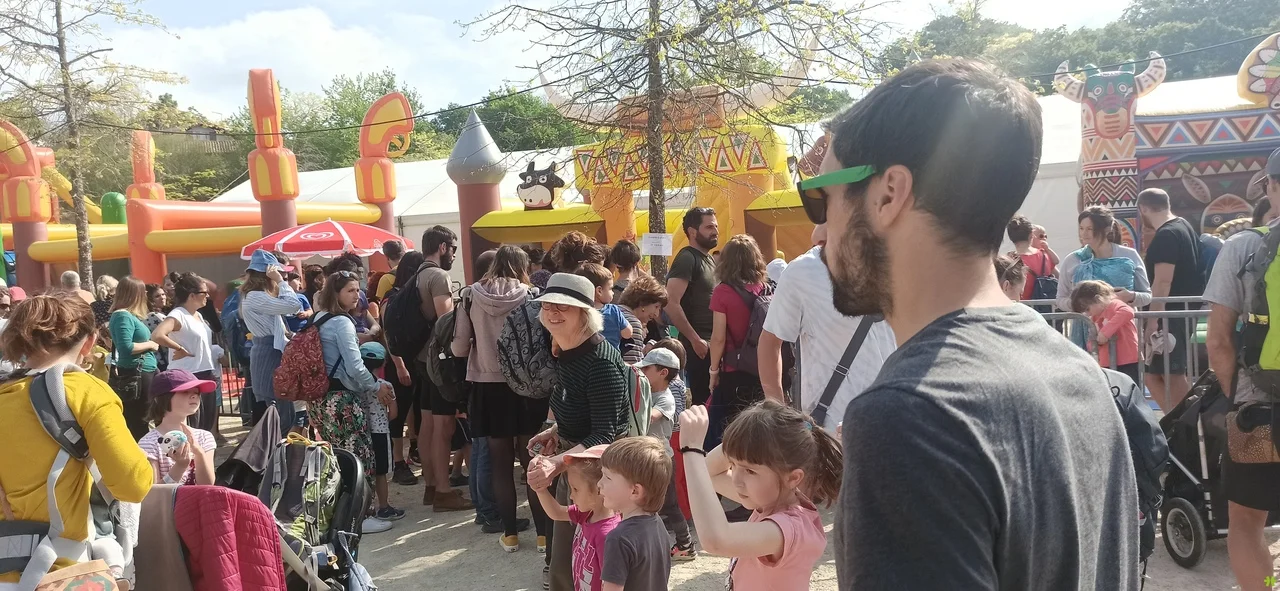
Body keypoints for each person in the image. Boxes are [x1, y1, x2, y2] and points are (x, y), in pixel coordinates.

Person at [816, 59, 1138, 588]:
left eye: (821, 199)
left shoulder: (910, 416)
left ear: (889, 193)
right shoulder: (1080, 373)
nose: (818, 231)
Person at [0, 292, 152, 583]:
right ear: (90, 341)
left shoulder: (4, 394)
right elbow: (132, 485)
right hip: (62, 573)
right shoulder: (85, 390)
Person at [1204, 146, 1280, 591]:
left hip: (1258, 411)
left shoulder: (1244, 246)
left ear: (1271, 187)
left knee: (1247, 521)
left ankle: (1264, 588)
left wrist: (1237, 397)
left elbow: (1217, 340)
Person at [526, 273, 632, 591]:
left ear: (585, 313)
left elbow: (604, 435)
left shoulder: (600, 362)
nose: (552, 312)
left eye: (563, 306)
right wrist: (556, 431)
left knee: (589, 564)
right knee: (567, 558)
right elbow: (582, 407)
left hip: (599, 477)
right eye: (548, 305)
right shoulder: (569, 351)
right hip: (577, 467)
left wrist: (556, 463)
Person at [680, 402, 838, 589]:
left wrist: (692, 450)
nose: (737, 480)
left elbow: (717, 540)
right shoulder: (770, 500)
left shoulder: (791, 528)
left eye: (750, 471)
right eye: (733, 465)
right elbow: (710, 473)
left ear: (793, 478)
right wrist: (743, 438)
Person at [759, 223, 895, 431]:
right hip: (832, 431)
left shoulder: (901, 261)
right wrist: (778, 416)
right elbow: (769, 343)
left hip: (895, 423)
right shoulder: (804, 272)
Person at [452, 245, 543, 544]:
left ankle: (510, 534)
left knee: (500, 465)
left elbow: (459, 348)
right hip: (526, 386)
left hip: (487, 386)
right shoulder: (531, 295)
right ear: (522, 266)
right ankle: (543, 536)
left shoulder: (470, 296)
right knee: (532, 461)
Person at [309, 271, 400, 533]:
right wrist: (377, 386)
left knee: (337, 459)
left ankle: (342, 513)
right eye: (350, 290)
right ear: (336, 293)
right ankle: (361, 516)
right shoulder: (342, 322)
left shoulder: (319, 318)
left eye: (357, 289)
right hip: (343, 400)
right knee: (359, 458)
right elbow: (355, 366)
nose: (357, 295)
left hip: (321, 399)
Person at [414, 226, 473, 510]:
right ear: (442, 247)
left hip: (420, 360)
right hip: (438, 364)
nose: (454, 254)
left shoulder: (416, 274)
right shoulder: (438, 276)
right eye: (453, 248)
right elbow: (446, 323)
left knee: (427, 425)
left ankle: (431, 486)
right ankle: (443, 491)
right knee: (443, 427)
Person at [1137, 187, 1204, 411]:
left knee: (1171, 373)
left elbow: (1162, 282)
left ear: (1143, 208)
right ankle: (1176, 423)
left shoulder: (1166, 234)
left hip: (1168, 316)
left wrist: (1153, 319)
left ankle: (1188, 424)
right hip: (1178, 312)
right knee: (1153, 374)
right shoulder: (1184, 226)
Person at [706, 234, 769, 447]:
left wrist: (713, 372)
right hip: (764, 368)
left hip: (735, 371)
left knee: (728, 433)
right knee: (759, 431)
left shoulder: (722, 292)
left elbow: (718, 338)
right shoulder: (766, 289)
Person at [529, 445, 619, 591]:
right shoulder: (587, 514)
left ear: (600, 490)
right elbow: (556, 512)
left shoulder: (608, 536)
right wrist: (540, 489)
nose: (571, 495)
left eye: (576, 489)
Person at [634, 348, 695, 561]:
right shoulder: (647, 391)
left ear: (663, 372)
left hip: (661, 459)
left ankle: (685, 545)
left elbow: (649, 417)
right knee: (644, 504)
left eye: (647, 369)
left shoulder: (666, 398)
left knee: (669, 504)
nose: (643, 372)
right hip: (645, 457)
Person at [240, 249, 302, 436]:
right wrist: (281, 282)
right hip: (268, 352)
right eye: (279, 272)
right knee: (280, 414)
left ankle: (279, 451)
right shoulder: (255, 296)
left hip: (269, 350)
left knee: (281, 411)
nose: (283, 276)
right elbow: (294, 305)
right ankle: (278, 452)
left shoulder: (256, 296)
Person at [149, 272, 222, 432]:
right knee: (192, 426)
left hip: (205, 372)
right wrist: (179, 348)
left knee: (206, 425)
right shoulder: (178, 314)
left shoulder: (198, 315)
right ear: (192, 295)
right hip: (187, 376)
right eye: (204, 292)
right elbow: (157, 335)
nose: (207, 296)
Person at [597, 436, 672, 591]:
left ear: (635, 491)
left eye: (607, 477)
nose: (599, 483)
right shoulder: (657, 524)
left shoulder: (618, 539)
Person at [665, 207, 718, 406]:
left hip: (713, 345)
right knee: (703, 407)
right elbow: (670, 302)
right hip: (699, 348)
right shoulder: (687, 258)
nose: (715, 231)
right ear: (693, 232)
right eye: (709, 227)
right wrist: (695, 340)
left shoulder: (709, 259)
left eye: (716, 226)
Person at [1055, 205, 1152, 313]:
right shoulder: (1073, 259)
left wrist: (1130, 296)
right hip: (1084, 321)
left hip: (1121, 320)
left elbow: (1147, 296)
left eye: (1090, 229)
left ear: (1107, 230)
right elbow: (1060, 298)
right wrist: (1081, 304)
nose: (1084, 233)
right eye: (1081, 228)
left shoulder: (1129, 255)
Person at [386, 250, 425, 486]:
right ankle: (398, 461)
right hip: (399, 362)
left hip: (415, 362)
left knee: (415, 409)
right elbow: (388, 333)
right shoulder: (392, 297)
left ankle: (416, 452)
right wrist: (400, 365)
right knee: (398, 413)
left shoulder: (414, 295)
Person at [138, 369, 217, 485]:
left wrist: (199, 452)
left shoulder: (204, 437)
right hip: (169, 498)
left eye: (197, 392)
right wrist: (180, 467)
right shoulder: (149, 443)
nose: (194, 396)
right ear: (160, 398)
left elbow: (208, 484)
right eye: (185, 391)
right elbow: (154, 492)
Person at [359, 341, 408, 524]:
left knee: (366, 470)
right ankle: (384, 506)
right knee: (381, 473)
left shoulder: (356, 386)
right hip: (380, 432)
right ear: (383, 363)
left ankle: (366, 507)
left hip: (362, 432)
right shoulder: (385, 386)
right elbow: (394, 413)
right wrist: (383, 420)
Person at [109, 276, 162, 440]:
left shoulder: (129, 316)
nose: (145, 295)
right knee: (139, 421)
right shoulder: (122, 316)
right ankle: (143, 452)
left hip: (145, 370)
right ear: (134, 293)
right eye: (143, 291)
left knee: (148, 417)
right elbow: (126, 347)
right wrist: (150, 344)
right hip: (137, 373)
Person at [1071, 280, 1142, 384]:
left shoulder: (1115, 304)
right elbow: (1092, 339)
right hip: (1106, 362)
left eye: (1087, 309)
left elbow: (1127, 312)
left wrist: (1106, 332)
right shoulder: (1094, 317)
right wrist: (1096, 344)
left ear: (1097, 299)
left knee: (1129, 389)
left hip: (1127, 360)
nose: (1087, 313)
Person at [574, 263, 633, 352]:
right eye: (610, 289)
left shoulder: (578, 312)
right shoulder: (613, 311)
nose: (613, 292)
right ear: (599, 291)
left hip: (585, 357)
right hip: (610, 357)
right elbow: (627, 333)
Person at [1007, 215, 1057, 300]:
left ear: (1011, 238)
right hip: (1045, 304)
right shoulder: (1044, 255)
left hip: (1021, 306)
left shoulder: (1009, 260)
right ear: (1031, 235)